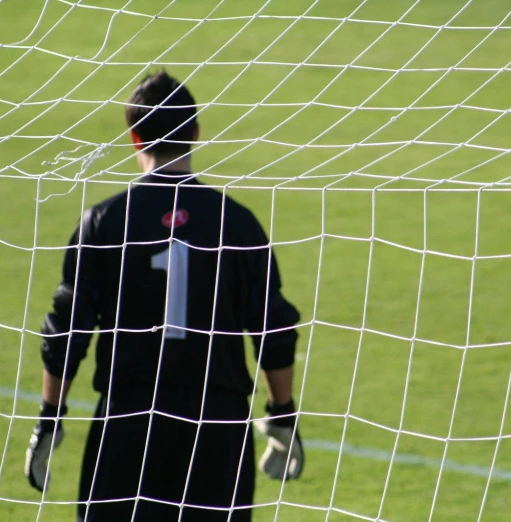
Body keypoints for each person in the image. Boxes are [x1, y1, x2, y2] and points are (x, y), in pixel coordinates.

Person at [24, 70, 304, 522]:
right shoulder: (237, 223)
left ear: (135, 138)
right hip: (217, 426)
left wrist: (49, 418)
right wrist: (282, 415)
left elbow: (67, 329)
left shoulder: (104, 223)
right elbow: (275, 329)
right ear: (195, 133)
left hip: (129, 421)